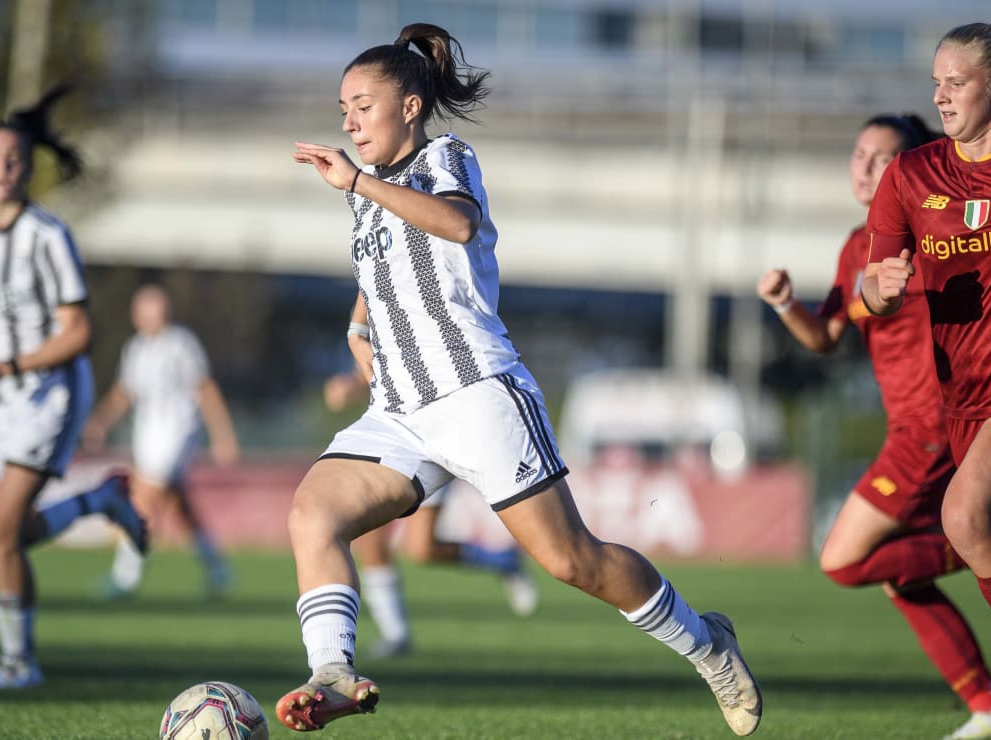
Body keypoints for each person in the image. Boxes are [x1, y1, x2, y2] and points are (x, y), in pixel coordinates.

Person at [278, 23, 761, 735]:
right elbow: (388, 266)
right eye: (343, 107)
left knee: (574, 561)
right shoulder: (365, 191)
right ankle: (333, 672)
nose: (348, 121)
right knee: (312, 515)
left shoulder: (445, 155)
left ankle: (708, 644)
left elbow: (456, 227)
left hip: (477, 394)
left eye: (362, 104)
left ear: (410, 106)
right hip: (403, 411)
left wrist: (358, 180)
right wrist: (358, 324)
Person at [760, 114, 991, 739]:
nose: (868, 168)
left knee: (845, 561)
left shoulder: (935, 232)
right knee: (898, 576)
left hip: (934, 426)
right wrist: (783, 305)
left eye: (884, 159)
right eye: (860, 155)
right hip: (909, 429)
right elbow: (826, 336)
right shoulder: (859, 244)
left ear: (914, 170)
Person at [862, 16, 991, 739]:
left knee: (963, 515)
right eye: (935, 84)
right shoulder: (913, 176)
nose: (941, 98)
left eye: (957, 83)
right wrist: (883, 285)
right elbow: (872, 291)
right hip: (967, 403)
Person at [0, 85, 145, 689]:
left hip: (50, 392)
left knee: (3, 532)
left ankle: (18, 663)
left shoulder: (47, 236)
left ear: (28, 171)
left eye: (15, 160)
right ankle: (99, 502)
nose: (3, 168)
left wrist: (5, 366)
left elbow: (78, 333)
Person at [330, 298, 539, 659]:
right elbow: (373, 366)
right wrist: (351, 382)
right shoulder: (380, 295)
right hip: (398, 437)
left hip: (442, 431)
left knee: (422, 549)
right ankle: (396, 634)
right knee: (368, 537)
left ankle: (503, 561)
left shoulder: (431, 298)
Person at [83, 283, 242, 599]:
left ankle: (126, 575)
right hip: (148, 435)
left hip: (178, 432)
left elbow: (205, 389)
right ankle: (217, 570)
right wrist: (100, 421)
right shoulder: (136, 348)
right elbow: (124, 392)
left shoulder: (181, 344)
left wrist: (223, 436)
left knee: (143, 498)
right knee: (178, 504)